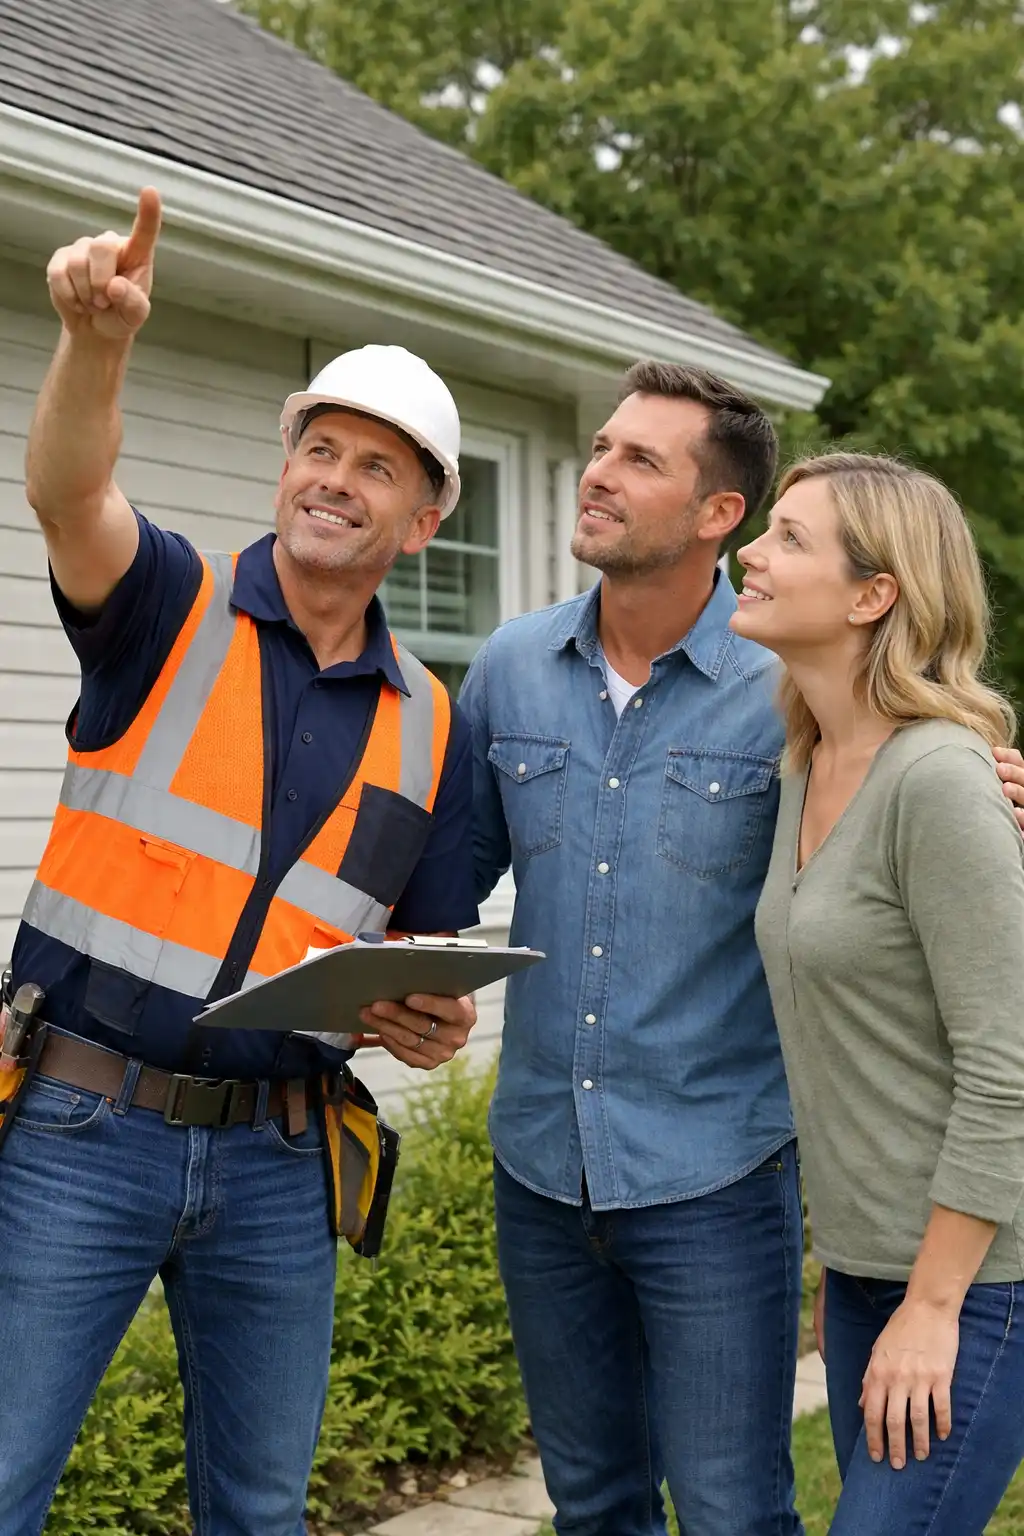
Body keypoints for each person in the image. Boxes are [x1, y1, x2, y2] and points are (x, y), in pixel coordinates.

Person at [461, 365, 1024, 1536]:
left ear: (718, 516)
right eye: (600, 447)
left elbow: (998, 1032)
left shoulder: (841, 720)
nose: (598, 472)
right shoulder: (529, 672)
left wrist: (985, 774)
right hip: (562, 1172)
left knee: (731, 1513)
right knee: (594, 1507)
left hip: (734, 1186)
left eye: (639, 459)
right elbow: (449, 872)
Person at [0, 186, 479, 1536]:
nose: (334, 477)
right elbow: (66, 488)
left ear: (427, 518)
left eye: (377, 466)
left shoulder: (432, 724)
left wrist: (429, 1024)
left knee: (261, 1513)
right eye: (317, 449)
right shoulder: (168, 602)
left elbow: (417, 967)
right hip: (79, 1130)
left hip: (278, 1159)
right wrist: (96, 343)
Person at [734, 452, 1024, 1535]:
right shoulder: (802, 766)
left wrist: (933, 1304)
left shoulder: (939, 778)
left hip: (980, 1281)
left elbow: (1007, 1066)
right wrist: (847, 1262)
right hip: (866, 1268)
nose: (750, 556)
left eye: (788, 539)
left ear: (873, 595)